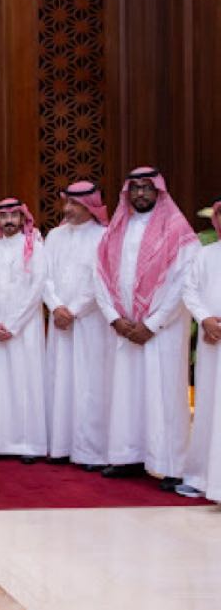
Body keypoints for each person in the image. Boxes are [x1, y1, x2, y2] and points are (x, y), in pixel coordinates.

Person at [95, 166, 200, 489]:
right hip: (125, 328)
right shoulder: (115, 231)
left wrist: (152, 324)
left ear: (159, 191)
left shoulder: (178, 231)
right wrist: (114, 318)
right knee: (126, 393)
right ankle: (128, 456)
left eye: (147, 187)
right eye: (135, 188)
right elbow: (99, 275)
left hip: (162, 331)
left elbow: (184, 284)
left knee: (164, 395)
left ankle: (170, 465)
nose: (140, 193)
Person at [44, 181, 111, 469]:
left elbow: (101, 282)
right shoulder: (54, 236)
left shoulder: (104, 237)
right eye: (67, 202)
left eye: (75, 204)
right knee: (59, 380)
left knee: (89, 384)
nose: (68, 209)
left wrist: (72, 310)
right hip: (59, 320)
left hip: (90, 322)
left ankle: (90, 452)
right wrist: (56, 306)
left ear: (90, 206)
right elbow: (43, 276)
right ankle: (59, 446)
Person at [0, 197, 47, 463]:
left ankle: (29, 445)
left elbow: (37, 288)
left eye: (13, 216)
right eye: (3, 217)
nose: (9, 221)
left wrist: (14, 324)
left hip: (26, 328)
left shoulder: (36, 248)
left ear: (22, 218)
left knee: (25, 384)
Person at [178, 196, 221, 499]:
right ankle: (203, 477)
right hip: (212, 342)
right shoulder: (205, 255)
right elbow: (189, 289)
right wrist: (205, 319)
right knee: (207, 407)